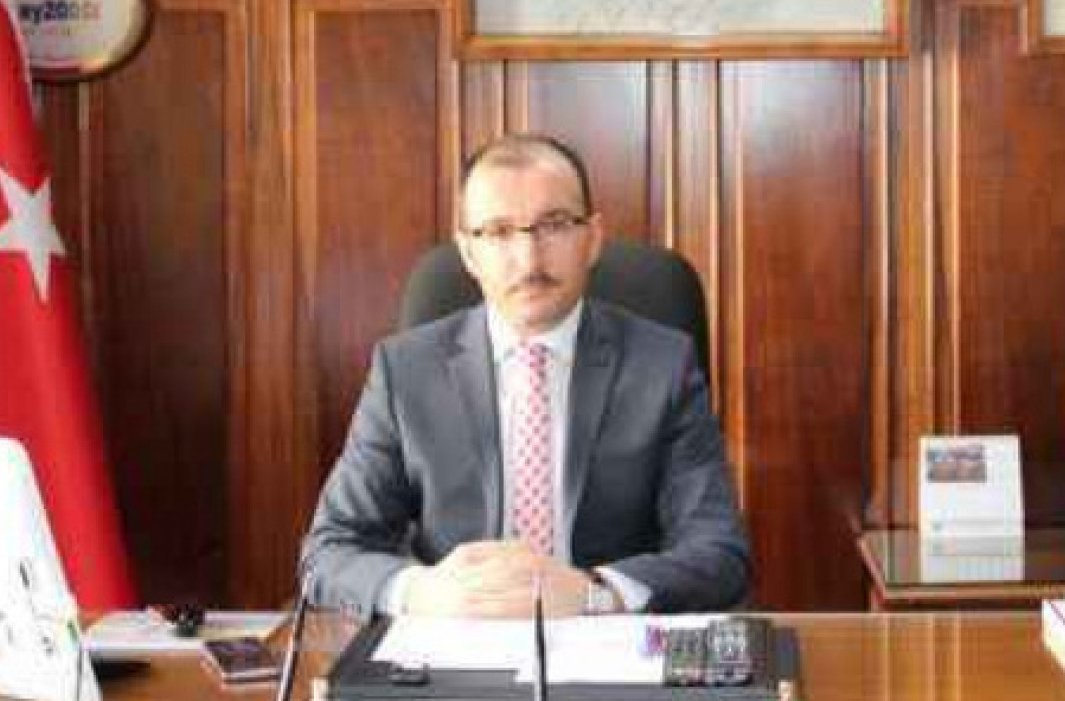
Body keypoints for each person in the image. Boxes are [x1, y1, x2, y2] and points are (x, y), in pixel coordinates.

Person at [302, 134, 750, 619]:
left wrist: (595, 594)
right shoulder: (406, 371)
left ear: (593, 238)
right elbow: (330, 550)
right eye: (498, 232)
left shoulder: (662, 365)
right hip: (457, 641)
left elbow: (719, 553)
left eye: (554, 224)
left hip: (602, 639)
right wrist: (421, 592)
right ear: (468, 253)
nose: (530, 259)